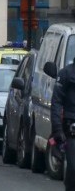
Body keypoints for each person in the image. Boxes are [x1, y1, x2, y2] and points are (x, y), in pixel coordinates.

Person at [51, 58, 75, 191]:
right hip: (71, 128)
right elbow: (56, 103)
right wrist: (57, 129)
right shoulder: (66, 73)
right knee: (73, 167)